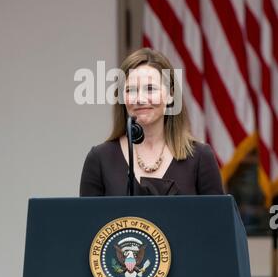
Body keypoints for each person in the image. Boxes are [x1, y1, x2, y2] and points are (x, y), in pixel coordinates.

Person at [80, 47, 224, 197]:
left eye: (150, 89)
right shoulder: (99, 159)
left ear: (170, 95)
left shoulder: (200, 157)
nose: (140, 99)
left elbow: (217, 219)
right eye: (131, 90)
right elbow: (88, 220)